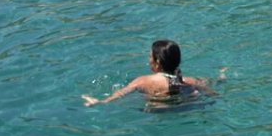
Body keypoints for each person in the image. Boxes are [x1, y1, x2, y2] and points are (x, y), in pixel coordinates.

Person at [81, 39, 219, 106]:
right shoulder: (190, 81)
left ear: (157, 62)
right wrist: (221, 77)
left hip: (156, 111)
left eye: (150, 57)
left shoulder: (142, 81)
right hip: (184, 107)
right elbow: (214, 93)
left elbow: (121, 94)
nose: (149, 60)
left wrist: (101, 102)